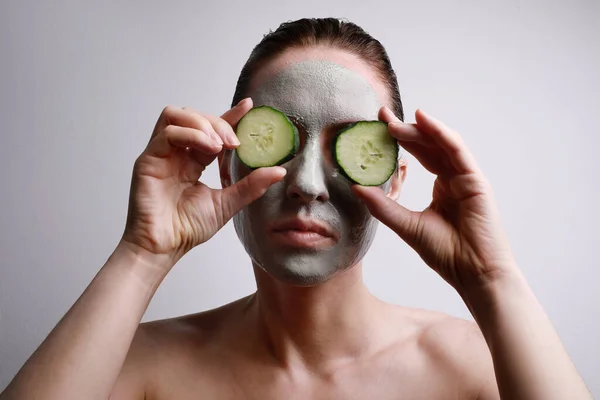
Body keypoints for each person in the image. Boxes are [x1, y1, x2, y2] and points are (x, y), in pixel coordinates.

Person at [0, 18, 591, 400]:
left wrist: (493, 278)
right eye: (276, 140)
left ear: (396, 177)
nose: (307, 184)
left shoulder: (478, 366)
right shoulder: (140, 366)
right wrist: (141, 254)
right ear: (228, 163)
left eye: (350, 146)